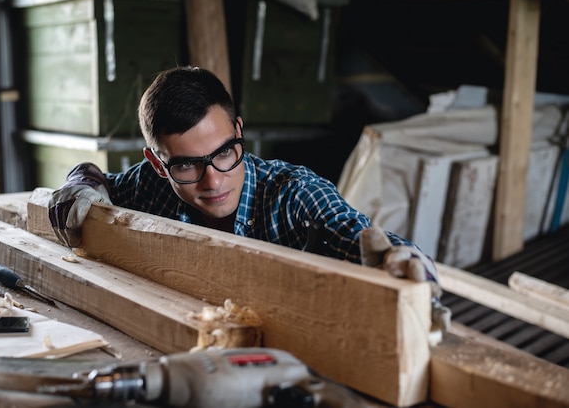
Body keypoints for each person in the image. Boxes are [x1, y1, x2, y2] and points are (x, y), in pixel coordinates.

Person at [49, 65, 450, 331]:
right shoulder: (153, 183)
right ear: (157, 163)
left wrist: (409, 268)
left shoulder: (295, 194)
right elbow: (98, 178)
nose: (213, 180)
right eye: (188, 166)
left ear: (238, 131)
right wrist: (80, 184)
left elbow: (366, 237)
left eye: (225, 152)